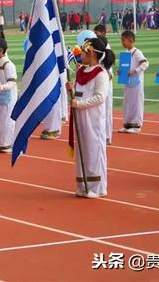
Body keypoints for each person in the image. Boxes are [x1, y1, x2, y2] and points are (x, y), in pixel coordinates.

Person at [66, 38, 115, 198]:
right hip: (80, 117)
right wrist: (70, 90)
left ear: (92, 53)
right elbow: (78, 92)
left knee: (94, 151)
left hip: (93, 118)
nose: (82, 55)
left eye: (85, 52)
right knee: (82, 151)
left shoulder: (101, 74)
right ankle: (83, 184)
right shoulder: (81, 71)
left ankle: (97, 187)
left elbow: (100, 97)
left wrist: (79, 104)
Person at [118, 31, 148, 133]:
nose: (122, 42)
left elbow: (145, 64)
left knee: (136, 103)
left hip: (136, 83)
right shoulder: (126, 53)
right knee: (127, 103)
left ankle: (136, 125)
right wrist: (121, 72)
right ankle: (127, 124)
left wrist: (134, 71)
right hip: (127, 83)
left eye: (123, 40)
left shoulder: (137, 52)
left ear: (130, 40)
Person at [0, 38, 17, 152]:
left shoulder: (8, 64)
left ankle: (7, 143)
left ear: (1, 50)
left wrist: (2, 87)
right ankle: (0, 142)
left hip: (8, 97)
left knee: (7, 120)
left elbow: (12, 82)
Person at [93, 24, 113, 144]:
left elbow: (110, 74)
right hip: (100, 87)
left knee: (106, 112)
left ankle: (106, 136)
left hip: (104, 88)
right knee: (100, 112)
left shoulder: (106, 53)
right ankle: (102, 135)